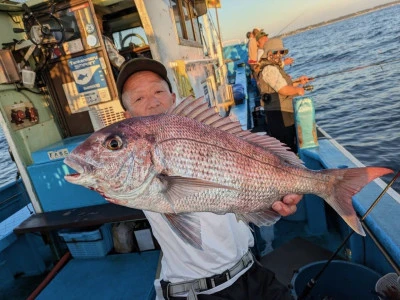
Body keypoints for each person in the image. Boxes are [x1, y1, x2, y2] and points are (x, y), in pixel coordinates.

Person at [116, 57, 302, 299]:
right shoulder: (137, 162)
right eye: (139, 98)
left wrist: (278, 197)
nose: (152, 103)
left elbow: (249, 182)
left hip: (251, 270)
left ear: (173, 99)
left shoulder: (211, 131)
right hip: (200, 291)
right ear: (127, 115)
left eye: (159, 91)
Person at [257, 38, 312, 153]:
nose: (279, 55)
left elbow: (283, 84)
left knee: (290, 143)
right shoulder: (269, 69)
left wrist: (298, 82)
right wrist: (298, 90)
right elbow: (283, 89)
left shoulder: (275, 68)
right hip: (278, 115)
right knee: (286, 147)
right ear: (268, 54)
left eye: (281, 52)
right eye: (275, 52)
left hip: (285, 111)